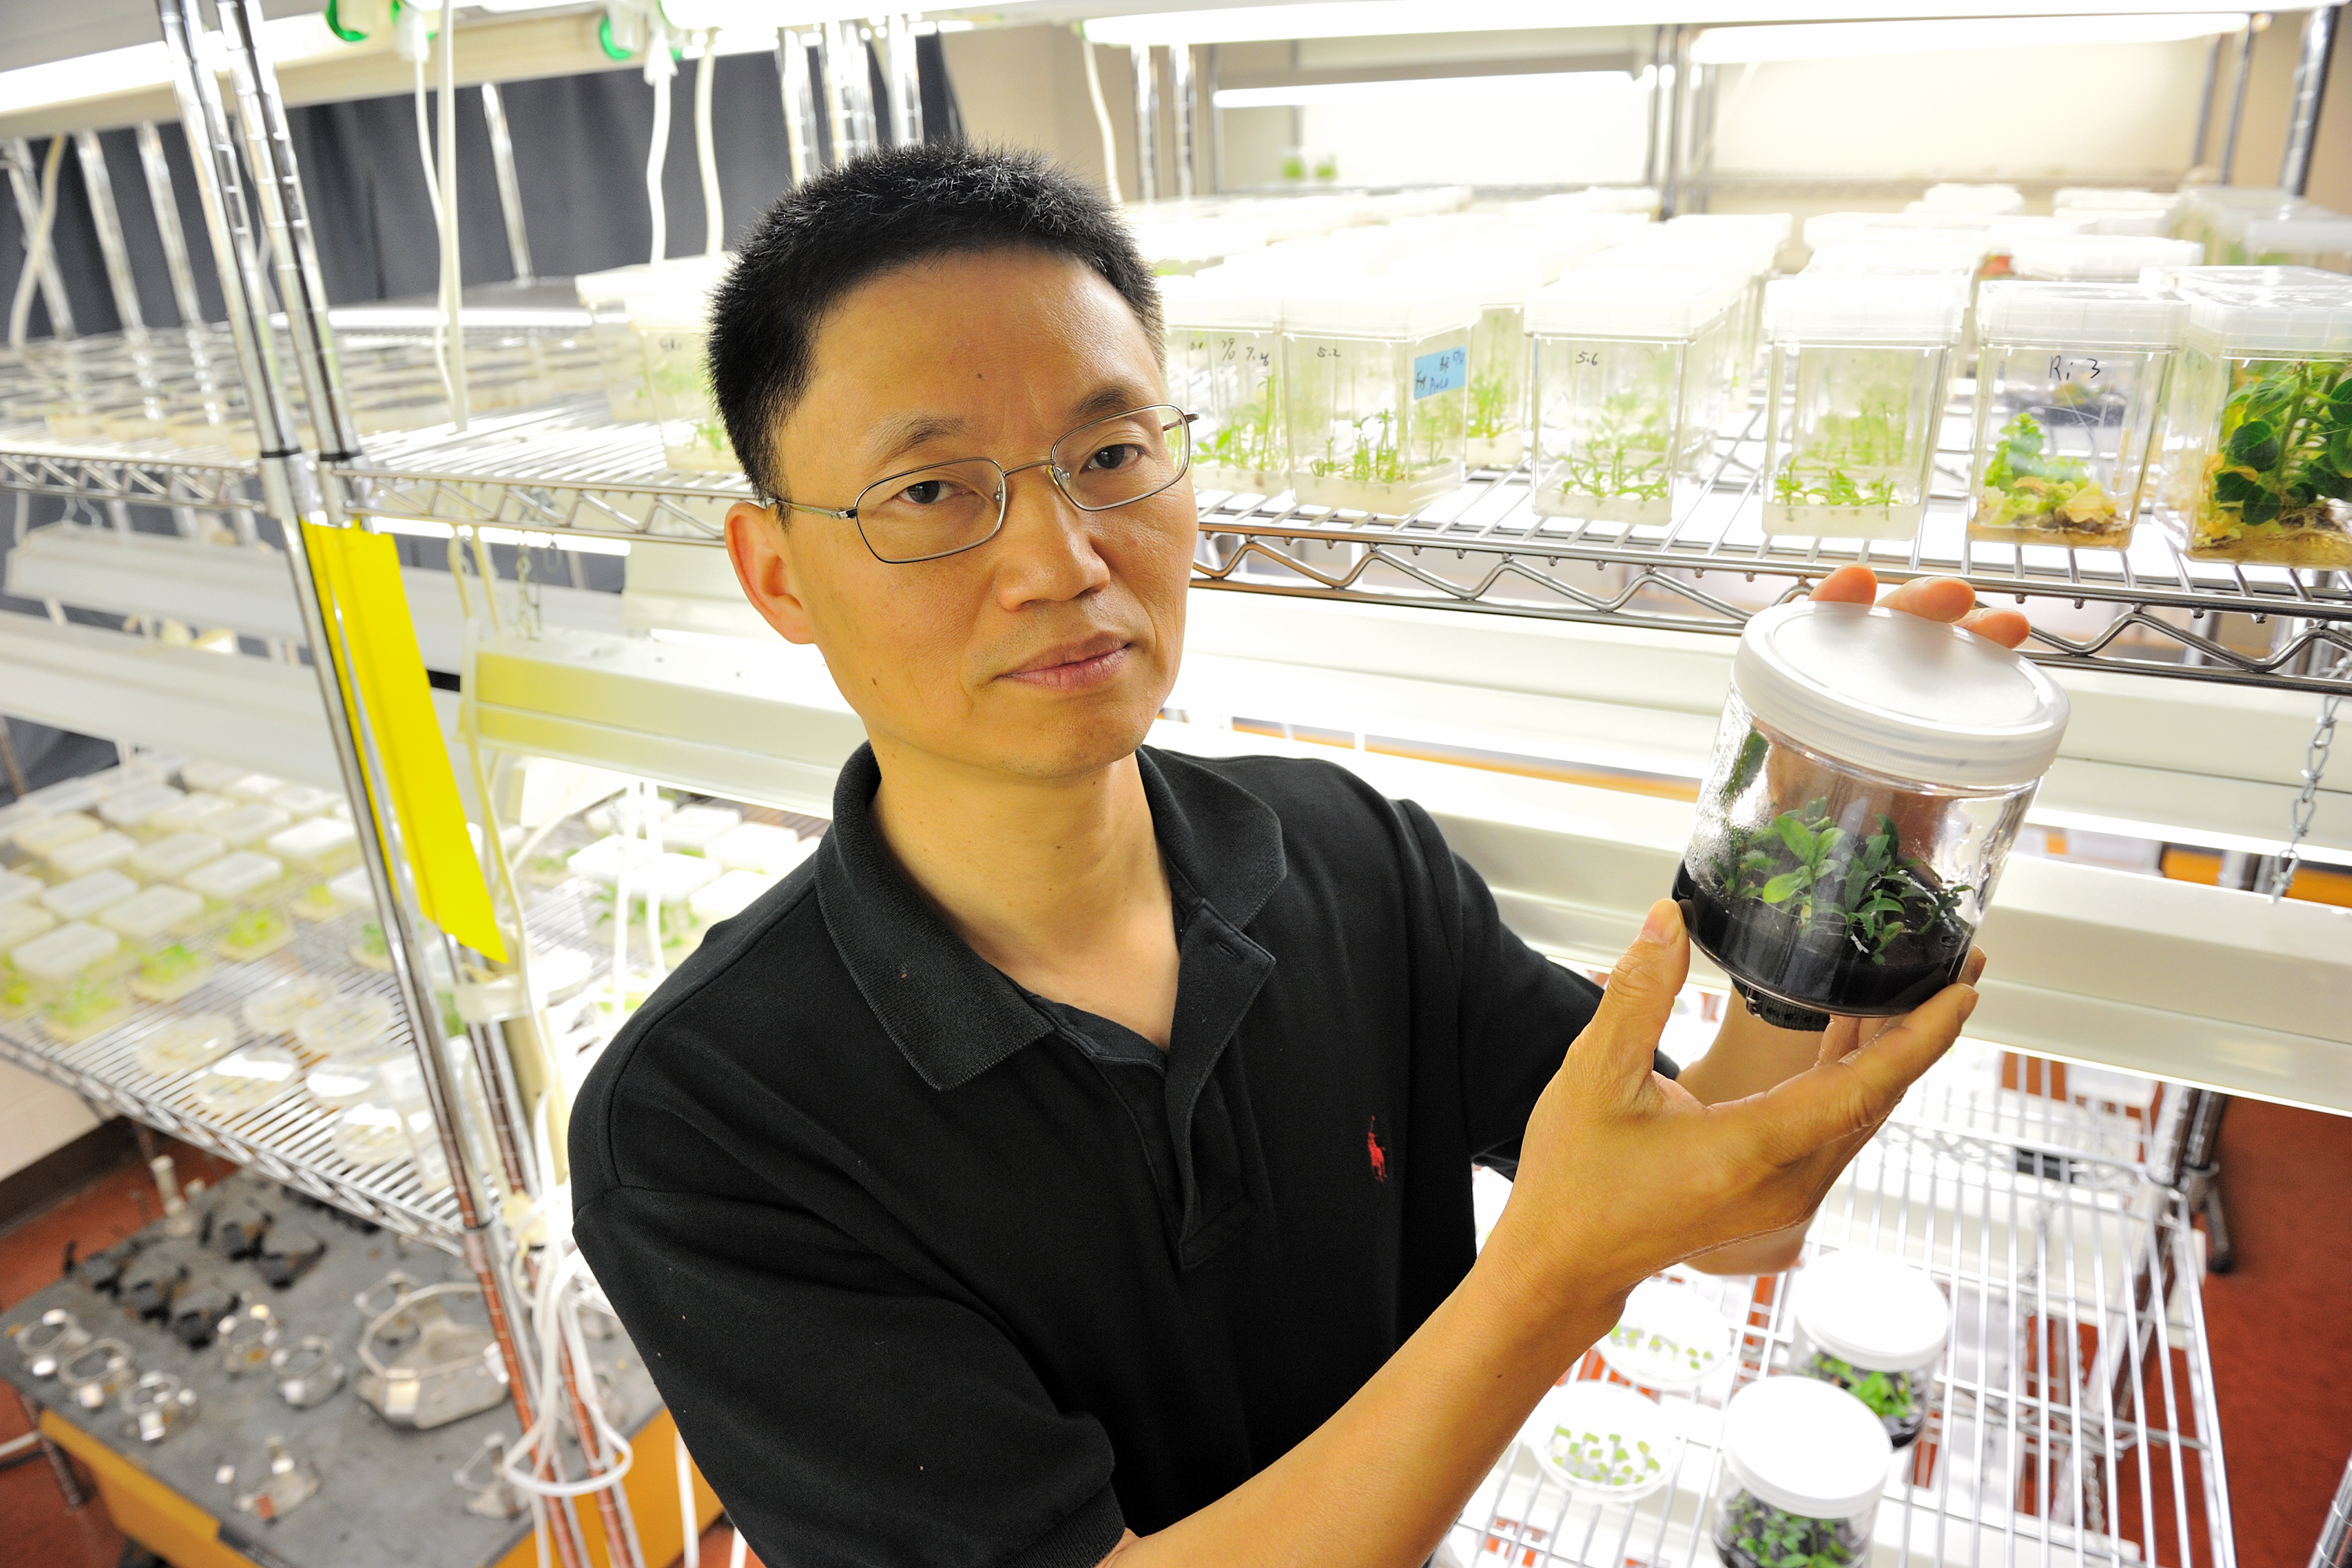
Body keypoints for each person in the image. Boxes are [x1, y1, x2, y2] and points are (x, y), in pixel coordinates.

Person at [568, 144, 2027, 1568]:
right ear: (778, 574)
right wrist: (1547, 1278)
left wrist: (1826, 878)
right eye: (932, 493)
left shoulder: (1343, 857)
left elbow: (1721, 1207)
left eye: (1112, 454)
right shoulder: (705, 1126)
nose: (1063, 559)